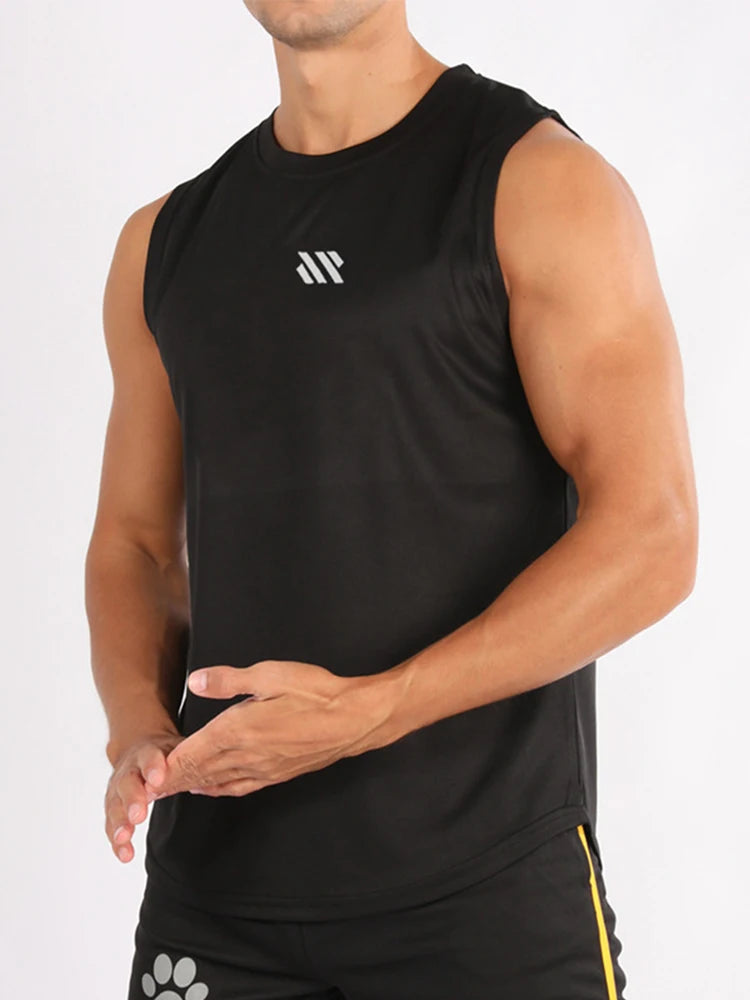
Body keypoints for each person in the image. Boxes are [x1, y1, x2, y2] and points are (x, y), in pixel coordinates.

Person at [85, 2, 698, 997]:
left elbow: (653, 534)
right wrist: (137, 730)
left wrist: (369, 712)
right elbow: (136, 545)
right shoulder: (164, 244)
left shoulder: (540, 186)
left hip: (484, 893)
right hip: (219, 904)